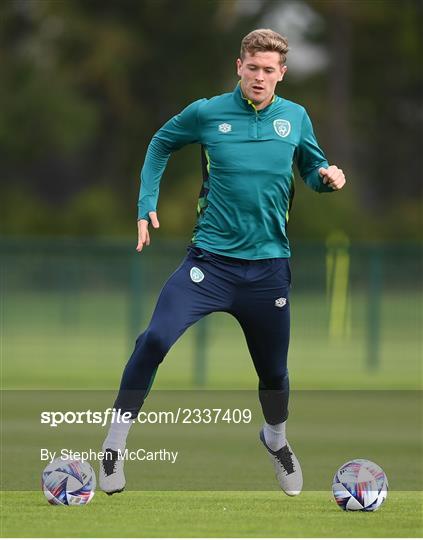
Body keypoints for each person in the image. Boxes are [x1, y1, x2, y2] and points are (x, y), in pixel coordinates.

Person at [99, 28, 346, 496]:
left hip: (269, 269)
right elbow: (159, 143)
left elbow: (312, 171)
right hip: (208, 265)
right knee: (153, 339)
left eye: (268, 71)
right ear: (239, 66)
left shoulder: (295, 117)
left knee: (274, 373)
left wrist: (327, 179)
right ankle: (113, 446)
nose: (259, 77)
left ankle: (275, 440)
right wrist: (144, 203)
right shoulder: (208, 112)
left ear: (282, 75)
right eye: (252, 67)